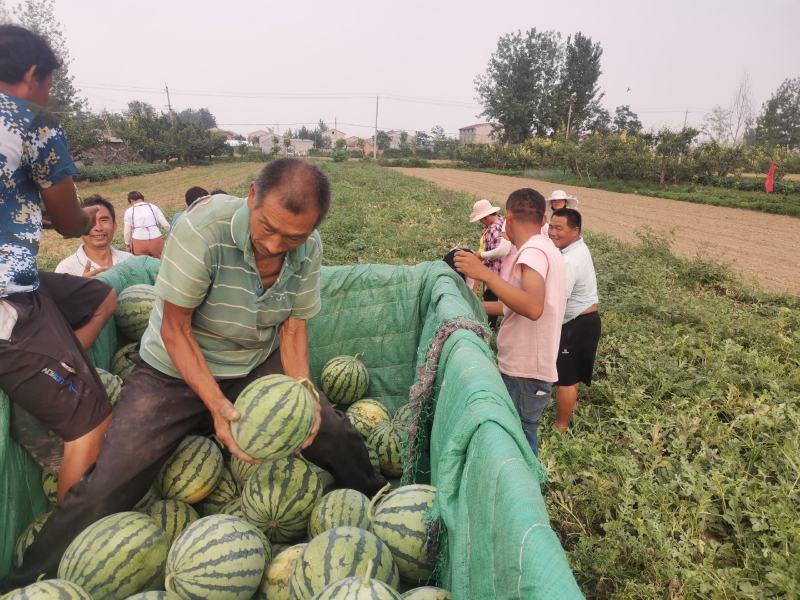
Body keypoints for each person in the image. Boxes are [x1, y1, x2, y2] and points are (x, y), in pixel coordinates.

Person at [4, 158, 387, 587]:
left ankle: (379, 503)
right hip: (172, 367)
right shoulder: (202, 230)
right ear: (252, 197)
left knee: (332, 430)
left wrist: (300, 393)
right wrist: (216, 405)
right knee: (113, 478)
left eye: (294, 237)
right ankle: (27, 578)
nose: (277, 245)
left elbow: (294, 327)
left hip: (252, 361)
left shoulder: (308, 250)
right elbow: (175, 329)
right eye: (268, 228)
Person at [0, 25, 116, 501]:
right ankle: (62, 550)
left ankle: (66, 367)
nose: (46, 95)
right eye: (47, 83)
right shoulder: (31, 123)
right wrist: (84, 214)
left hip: (22, 282)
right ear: (32, 74)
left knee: (102, 294)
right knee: (94, 422)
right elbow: (71, 223)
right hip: (8, 302)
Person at [455, 188, 565, 456]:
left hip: (525, 372)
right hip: (527, 369)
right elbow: (513, 306)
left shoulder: (532, 253)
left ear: (509, 218)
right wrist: (474, 306)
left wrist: (485, 275)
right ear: (543, 220)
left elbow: (532, 307)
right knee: (519, 439)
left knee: (519, 445)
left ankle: (527, 496)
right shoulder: (545, 249)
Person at [548, 208, 600, 432]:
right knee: (572, 373)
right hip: (585, 321)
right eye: (551, 226)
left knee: (566, 377)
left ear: (575, 230)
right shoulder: (578, 246)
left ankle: (561, 426)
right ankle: (569, 411)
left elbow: (559, 303)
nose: (552, 233)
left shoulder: (569, 261)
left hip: (576, 323)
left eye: (559, 228)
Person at [55, 194, 133, 277]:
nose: (98, 228)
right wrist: (83, 287)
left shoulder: (130, 261)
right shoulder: (65, 270)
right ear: (79, 228)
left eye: (103, 220)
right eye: (90, 221)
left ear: (114, 226)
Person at [469, 199, 512, 327]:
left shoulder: (494, 229)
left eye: (481, 219)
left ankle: (491, 326)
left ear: (486, 217)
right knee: (494, 297)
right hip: (497, 270)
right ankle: (492, 323)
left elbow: (500, 252)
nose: (481, 222)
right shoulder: (500, 223)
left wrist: (481, 255)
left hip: (496, 271)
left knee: (491, 298)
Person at [123, 191, 170, 258]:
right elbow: (165, 225)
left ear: (130, 200)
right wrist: (171, 233)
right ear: (142, 198)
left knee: (141, 265)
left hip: (138, 241)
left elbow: (127, 231)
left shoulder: (129, 211)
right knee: (161, 262)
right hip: (156, 239)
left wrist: (127, 244)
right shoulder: (154, 207)